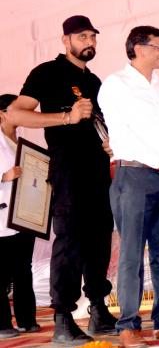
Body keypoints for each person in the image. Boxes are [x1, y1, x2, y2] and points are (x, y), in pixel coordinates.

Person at [8, 15, 115, 344]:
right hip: (68, 170)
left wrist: (110, 140)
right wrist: (66, 117)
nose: (89, 42)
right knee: (69, 242)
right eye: (82, 36)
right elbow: (15, 114)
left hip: (99, 169)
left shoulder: (95, 81)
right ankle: (62, 317)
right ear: (65, 40)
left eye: (93, 36)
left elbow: (99, 123)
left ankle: (98, 307)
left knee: (100, 239)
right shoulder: (47, 73)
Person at [98, 25, 159, 347]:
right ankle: (128, 323)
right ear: (139, 47)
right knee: (132, 255)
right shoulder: (115, 85)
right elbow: (125, 131)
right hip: (134, 176)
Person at [0, 94, 39, 340]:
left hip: (24, 215)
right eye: (17, 109)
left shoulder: (24, 142)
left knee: (24, 269)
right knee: (1, 273)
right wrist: (3, 177)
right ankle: (2, 323)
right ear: (2, 113)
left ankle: (26, 320)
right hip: (2, 217)